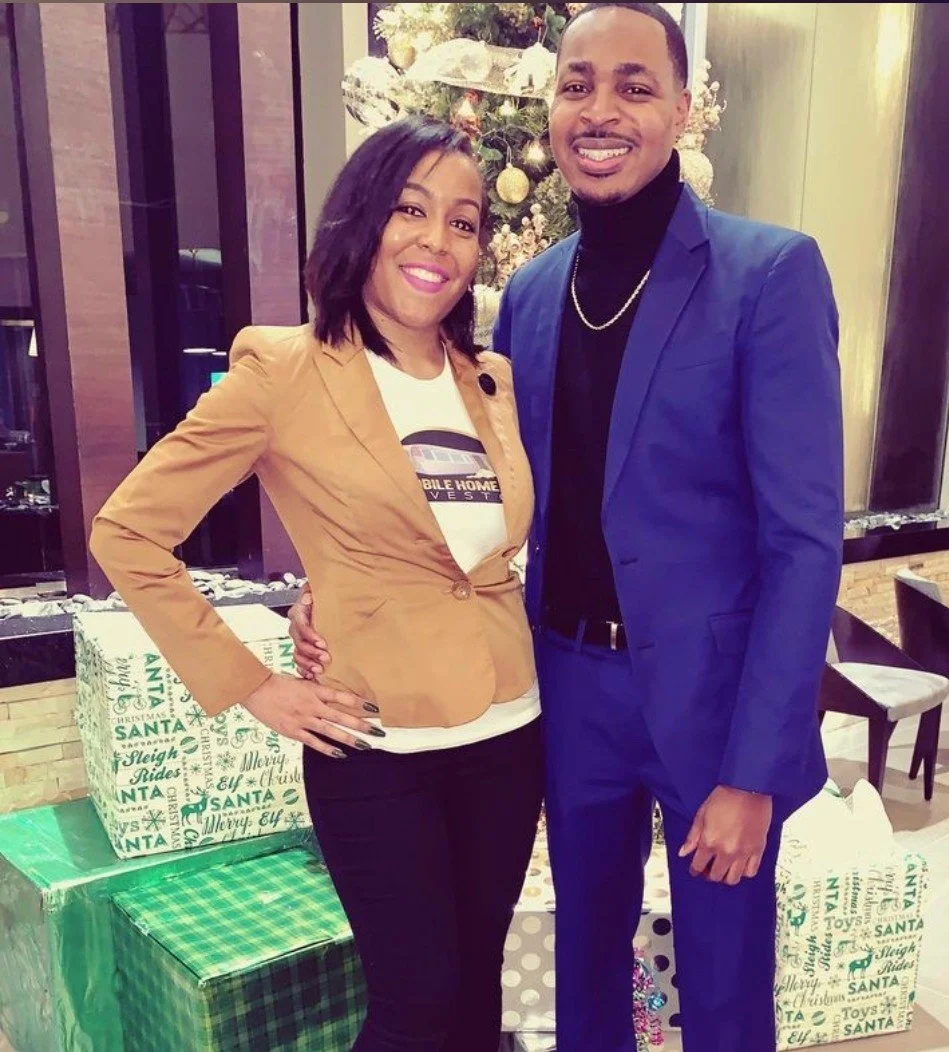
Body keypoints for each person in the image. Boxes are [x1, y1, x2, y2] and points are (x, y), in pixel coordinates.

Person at [293, 4, 843, 1050]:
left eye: (634, 87)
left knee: (724, 988)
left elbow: (805, 540)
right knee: (583, 975)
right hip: (568, 688)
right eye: (576, 84)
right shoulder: (531, 298)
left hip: (712, 703)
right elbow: (469, 495)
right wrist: (338, 586)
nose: (600, 110)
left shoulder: (768, 274)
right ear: (550, 110)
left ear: (681, 109)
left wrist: (753, 769)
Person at [90, 116, 543, 1052]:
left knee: (473, 996)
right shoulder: (283, 371)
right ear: (361, 222)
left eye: (463, 222)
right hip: (375, 744)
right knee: (414, 1007)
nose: (438, 241)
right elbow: (128, 532)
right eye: (411, 210)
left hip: (509, 730)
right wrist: (256, 684)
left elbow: (471, 558)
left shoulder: (488, 378)